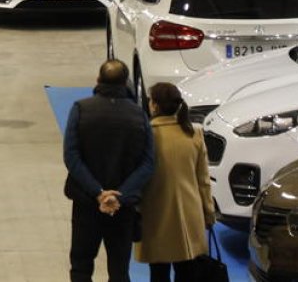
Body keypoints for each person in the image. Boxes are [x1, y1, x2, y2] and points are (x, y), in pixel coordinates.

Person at [63, 59, 155, 282]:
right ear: (125, 83)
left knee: (81, 266)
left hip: (86, 204)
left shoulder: (81, 109)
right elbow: (148, 163)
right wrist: (118, 196)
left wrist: (98, 192)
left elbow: (71, 157)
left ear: (98, 80)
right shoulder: (139, 116)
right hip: (122, 208)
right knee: (119, 270)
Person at [136, 82, 215, 282]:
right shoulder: (194, 132)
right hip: (189, 214)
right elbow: (203, 180)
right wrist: (208, 213)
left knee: (158, 273)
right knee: (187, 270)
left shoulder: (146, 134)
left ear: (154, 105)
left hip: (154, 214)